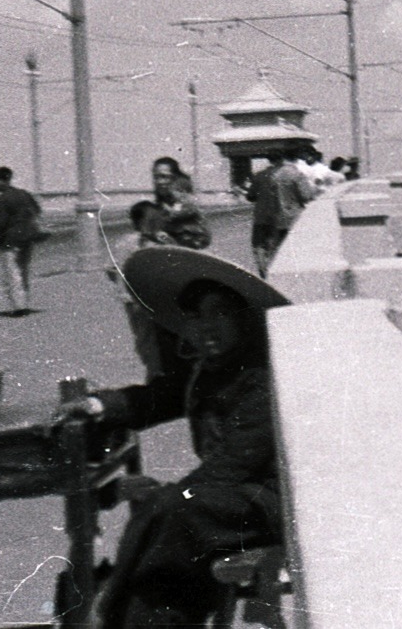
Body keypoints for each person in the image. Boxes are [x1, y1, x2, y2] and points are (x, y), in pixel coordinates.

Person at [58, 247, 288, 628]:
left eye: (220, 313)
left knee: (172, 511)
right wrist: (99, 406)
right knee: (165, 521)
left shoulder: (260, 379)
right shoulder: (209, 370)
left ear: (243, 319)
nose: (206, 327)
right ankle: (125, 615)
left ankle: (112, 615)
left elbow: (233, 465)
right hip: (224, 500)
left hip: (264, 502)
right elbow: (159, 397)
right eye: (196, 318)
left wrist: (166, 496)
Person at [246, 147, 314, 278]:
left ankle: (264, 271)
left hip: (261, 216)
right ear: (282, 158)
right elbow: (307, 196)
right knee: (283, 247)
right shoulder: (294, 174)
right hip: (285, 216)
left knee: (259, 245)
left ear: (268, 159)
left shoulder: (259, 175)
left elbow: (250, 196)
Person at [0, 166, 42, 315]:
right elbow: (37, 210)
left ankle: (19, 307)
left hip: (10, 240)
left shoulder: (2, 199)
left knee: (12, 273)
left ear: (1, 181)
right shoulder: (24, 194)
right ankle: (24, 303)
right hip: (27, 238)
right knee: (23, 270)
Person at [151, 157, 211, 251]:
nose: (159, 182)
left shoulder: (180, 192)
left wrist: (170, 213)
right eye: (156, 177)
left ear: (175, 177)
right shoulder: (163, 197)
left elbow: (188, 208)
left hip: (194, 236)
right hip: (176, 235)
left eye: (164, 177)